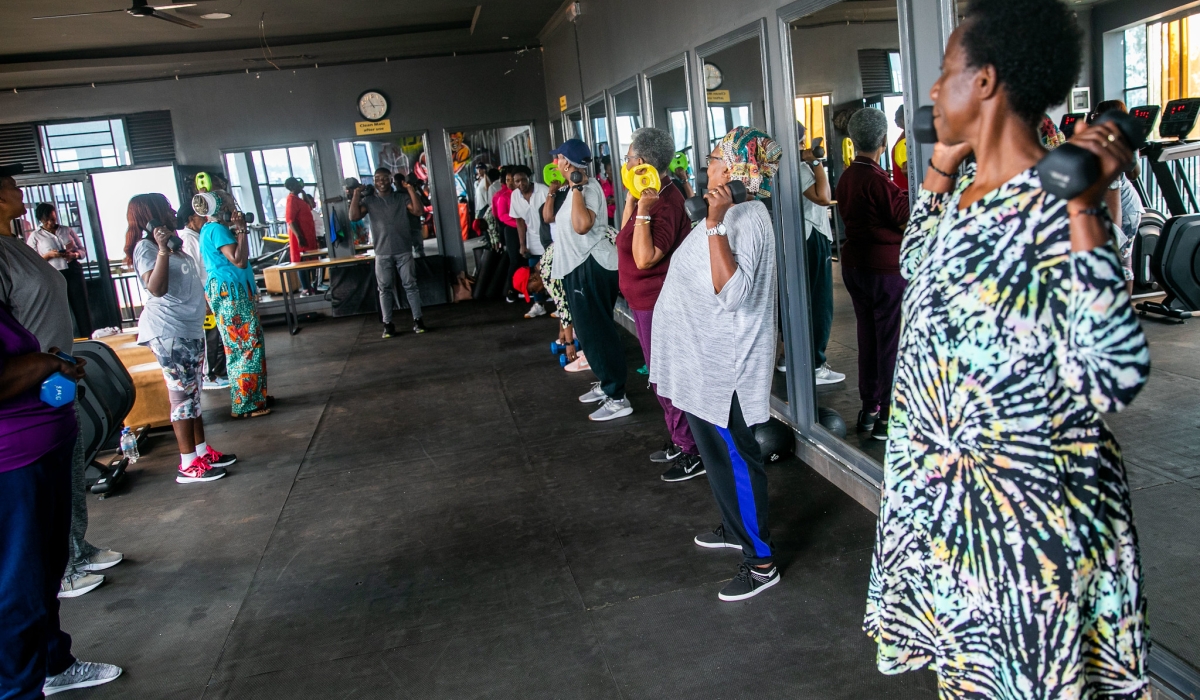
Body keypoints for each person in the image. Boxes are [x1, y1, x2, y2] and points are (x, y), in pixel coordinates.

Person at [864, 0, 1151, 695]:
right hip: (951, 511)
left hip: (1026, 527)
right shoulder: (968, 194)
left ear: (986, 81)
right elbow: (917, 265)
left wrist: (1084, 204)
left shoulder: (1053, 202)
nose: (934, 91)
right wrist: (940, 167)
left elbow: (1114, 374)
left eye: (945, 73)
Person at [652, 127, 782, 601]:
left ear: (734, 169)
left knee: (737, 457)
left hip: (726, 365)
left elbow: (732, 293)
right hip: (702, 360)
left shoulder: (746, 217)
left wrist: (713, 221)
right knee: (714, 454)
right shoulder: (731, 212)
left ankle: (761, 563)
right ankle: (735, 527)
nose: (705, 166)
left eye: (713, 159)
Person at [0, 169, 121, 599]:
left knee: (69, 458)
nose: (19, 191)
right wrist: (41, 362)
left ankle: (76, 548)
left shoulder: (19, 244)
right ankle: (62, 568)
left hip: (57, 371)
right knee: (48, 472)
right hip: (32, 382)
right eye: (11, 186)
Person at [0, 301, 123, 698]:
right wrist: (47, 364)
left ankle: (53, 664)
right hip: (12, 465)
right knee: (19, 590)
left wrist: (50, 365)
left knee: (42, 579)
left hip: (39, 454)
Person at [126, 193, 236, 482]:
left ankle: (200, 452)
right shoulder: (146, 248)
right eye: (166, 207)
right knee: (182, 397)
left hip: (188, 328)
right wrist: (162, 250)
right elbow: (155, 288)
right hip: (168, 330)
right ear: (151, 214)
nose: (172, 210)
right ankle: (188, 464)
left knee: (193, 394)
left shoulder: (174, 245)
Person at [615, 127, 702, 482]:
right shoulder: (650, 196)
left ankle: (692, 450)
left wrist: (644, 209)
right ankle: (681, 440)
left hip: (660, 303)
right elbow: (624, 237)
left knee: (667, 378)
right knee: (659, 377)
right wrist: (633, 200)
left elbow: (646, 257)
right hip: (645, 302)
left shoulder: (665, 202)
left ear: (641, 162)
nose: (625, 163)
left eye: (628, 158)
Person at [835, 107, 910, 441]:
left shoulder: (848, 176)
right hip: (883, 270)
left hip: (856, 266)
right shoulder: (877, 180)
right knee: (889, 341)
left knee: (868, 338)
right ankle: (888, 416)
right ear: (883, 140)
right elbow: (904, 216)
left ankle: (870, 408)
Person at [550, 139, 630, 421]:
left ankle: (617, 397)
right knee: (589, 333)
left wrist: (576, 187)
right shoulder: (576, 189)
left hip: (591, 265)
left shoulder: (588, 188)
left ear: (568, 162)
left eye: (559, 158)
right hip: (578, 267)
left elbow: (582, 226)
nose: (555, 163)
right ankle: (607, 385)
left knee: (598, 333)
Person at [197, 190, 272, 419]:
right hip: (230, 293)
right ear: (220, 207)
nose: (234, 205)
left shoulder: (210, 228)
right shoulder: (217, 230)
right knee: (244, 345)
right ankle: (246, 404)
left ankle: (255, 395)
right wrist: (241, 230)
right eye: (229, 202)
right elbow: (238, 260)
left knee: (247, 344)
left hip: (230, 291)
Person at [350, 167, 427, 338]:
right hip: (382, 252)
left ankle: (418, 320)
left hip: (403, 250)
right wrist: (356, 194)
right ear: (374, 182)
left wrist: (410, 189)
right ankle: (388, 324)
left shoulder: (400, 198)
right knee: (384, 289)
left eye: (385, 178)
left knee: (411, 286)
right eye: (378, 179)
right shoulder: (369, 201)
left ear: (391, 180)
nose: (381, 182)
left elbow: (418, 211)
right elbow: (353, 216)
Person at [797, 123, 845, 387]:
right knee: (820, 302)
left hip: (801, 236)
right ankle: (815, 365)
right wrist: (816, 162)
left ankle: (789, 358)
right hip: (812, 234)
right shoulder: (800, 168)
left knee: (804, 299)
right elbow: (824, 197)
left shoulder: (780, 166)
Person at [177, 200, 230, 391]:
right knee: (209, 336)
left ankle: (218, 371)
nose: (205, 219)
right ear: (191, 219)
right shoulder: (188, 239)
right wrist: (203, 298)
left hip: (210, 293)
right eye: (201, 217)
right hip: (203, 295)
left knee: (216, 334)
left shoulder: (197, 236)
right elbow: (193, 272)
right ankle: (208, 374)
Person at [28, 204, 94, 340]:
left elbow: (82, 250)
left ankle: (88, 336)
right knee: (60, 307)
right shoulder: (36, 236)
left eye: (53, 219)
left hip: (73, 270)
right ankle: (68, 338)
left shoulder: (66, 230)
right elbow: (32, 260)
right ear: (40, 220)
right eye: (46, 220)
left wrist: (74, 255)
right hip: (53, 273)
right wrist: (49, 255)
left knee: (81, 304)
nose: (50, 223)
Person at [508, 164, 551, 318]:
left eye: (523, 180)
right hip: (532, 239)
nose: (521, 184)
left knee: (554, 270)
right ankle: (539, 304)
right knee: (534, 274)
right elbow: (519, 221)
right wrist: (522, 244)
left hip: (550, 237)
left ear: (529, 178)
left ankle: (560, 303)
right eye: (517, 181)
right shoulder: (515, 196)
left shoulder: (543, 190)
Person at [492, 166, 524, 303]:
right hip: (512, 230)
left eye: (513, 180)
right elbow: (501, 215)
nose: (510, 183)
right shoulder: (503, 196)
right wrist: (519, 221)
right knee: (515, 260)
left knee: (526, 260)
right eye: (508, 180)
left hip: (527, 229)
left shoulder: (523, 193)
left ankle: (528, 288)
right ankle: (511, 290)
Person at [283, 177, 319, 295]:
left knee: (310, 261)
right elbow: (290, 220)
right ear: (292, 187)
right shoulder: (291, 200)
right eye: (297, 185)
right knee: (302, 261)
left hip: (308, 235)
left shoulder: (298, 199)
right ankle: (306, 288)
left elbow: (310, 206)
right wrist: (299, 236)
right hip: (301, 237)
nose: (300, 186)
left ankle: (311, 286)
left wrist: (303, 192)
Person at [890, 105, 909, 192]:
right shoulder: (903, 136)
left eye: (899, 117)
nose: (895, 120)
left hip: (908, 187)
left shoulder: (911, 137)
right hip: (899, 187)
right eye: (895, 117)